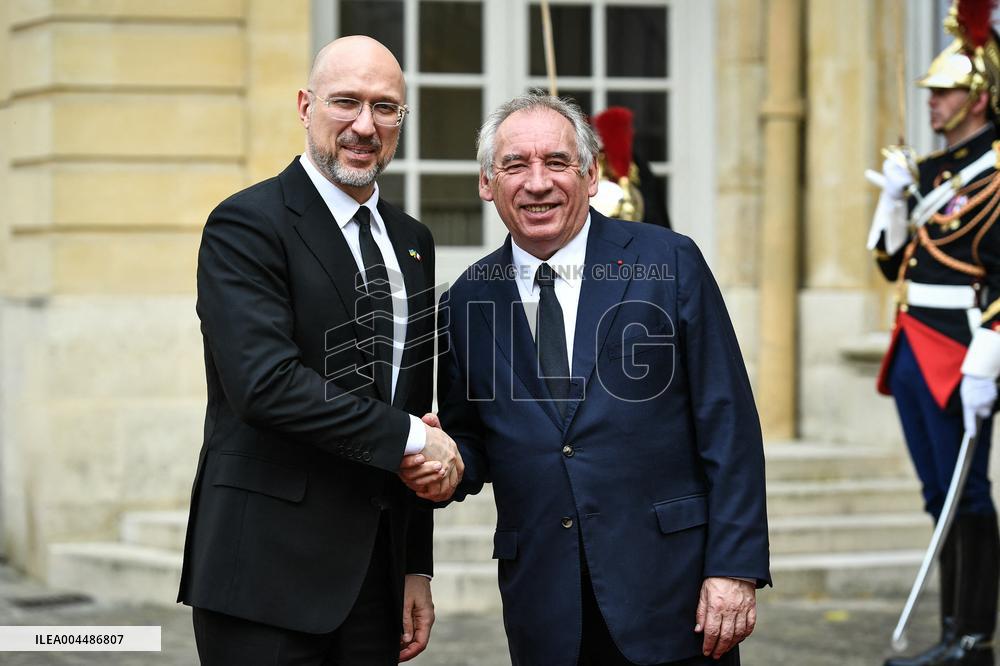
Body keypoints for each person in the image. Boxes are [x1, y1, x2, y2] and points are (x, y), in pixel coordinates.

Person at [403, 93, 770, 666]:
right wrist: (446, 466)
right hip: (546, 607)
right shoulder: (467, 299)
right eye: (515, 165)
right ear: (486, 183)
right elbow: (474, 438)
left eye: (556, 162)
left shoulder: (668, 263)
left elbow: (729, 425)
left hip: (673, 598)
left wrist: (734, 567)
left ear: (592, 175)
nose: (537, 182)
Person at [177, 36, 463, 666]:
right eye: (346, 103)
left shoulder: (413, 242)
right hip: (263, 578)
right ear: (306, 106)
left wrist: (416, 566)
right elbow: (266, 384)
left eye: (386, 108)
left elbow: (411, 402)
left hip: (374, 582)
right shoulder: (248, 224)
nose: (366, 125)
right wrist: (415, 440)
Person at [867, 3, 1000, 664]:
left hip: (964, 344)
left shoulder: (997, 169)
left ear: (978, 98)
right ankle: (951, 631)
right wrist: (893, 202)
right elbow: (892, 263)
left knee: (965, 492)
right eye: (931, 92)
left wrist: (991, 350)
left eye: (944, 91)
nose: (933, 101)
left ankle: (973, 636)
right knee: (935, 492)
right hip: (915, 335)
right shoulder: (929, 172)